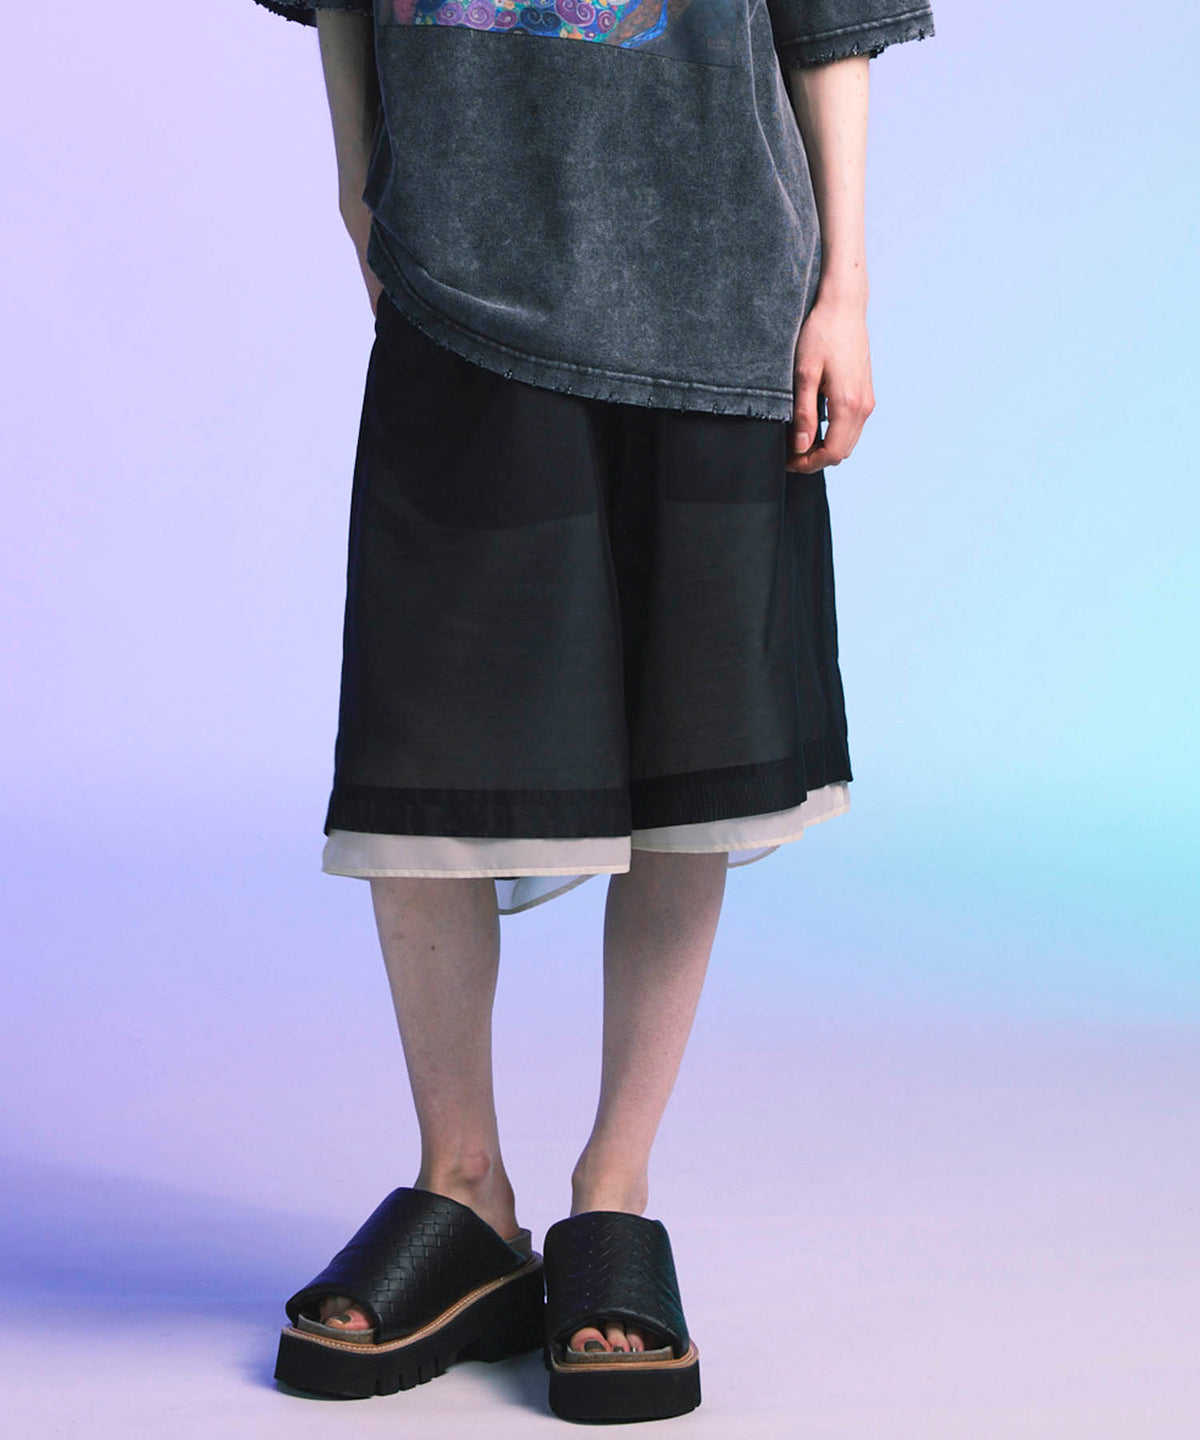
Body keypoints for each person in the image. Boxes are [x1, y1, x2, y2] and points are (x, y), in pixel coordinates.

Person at [248, 0, 935, 1421]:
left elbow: (832, 21)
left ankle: (614, 1188)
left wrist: (846, 287)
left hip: (718, 280)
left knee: (695, 752)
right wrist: (358, 185)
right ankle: (463, 1188)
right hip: (459, 276)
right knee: (428, 743)